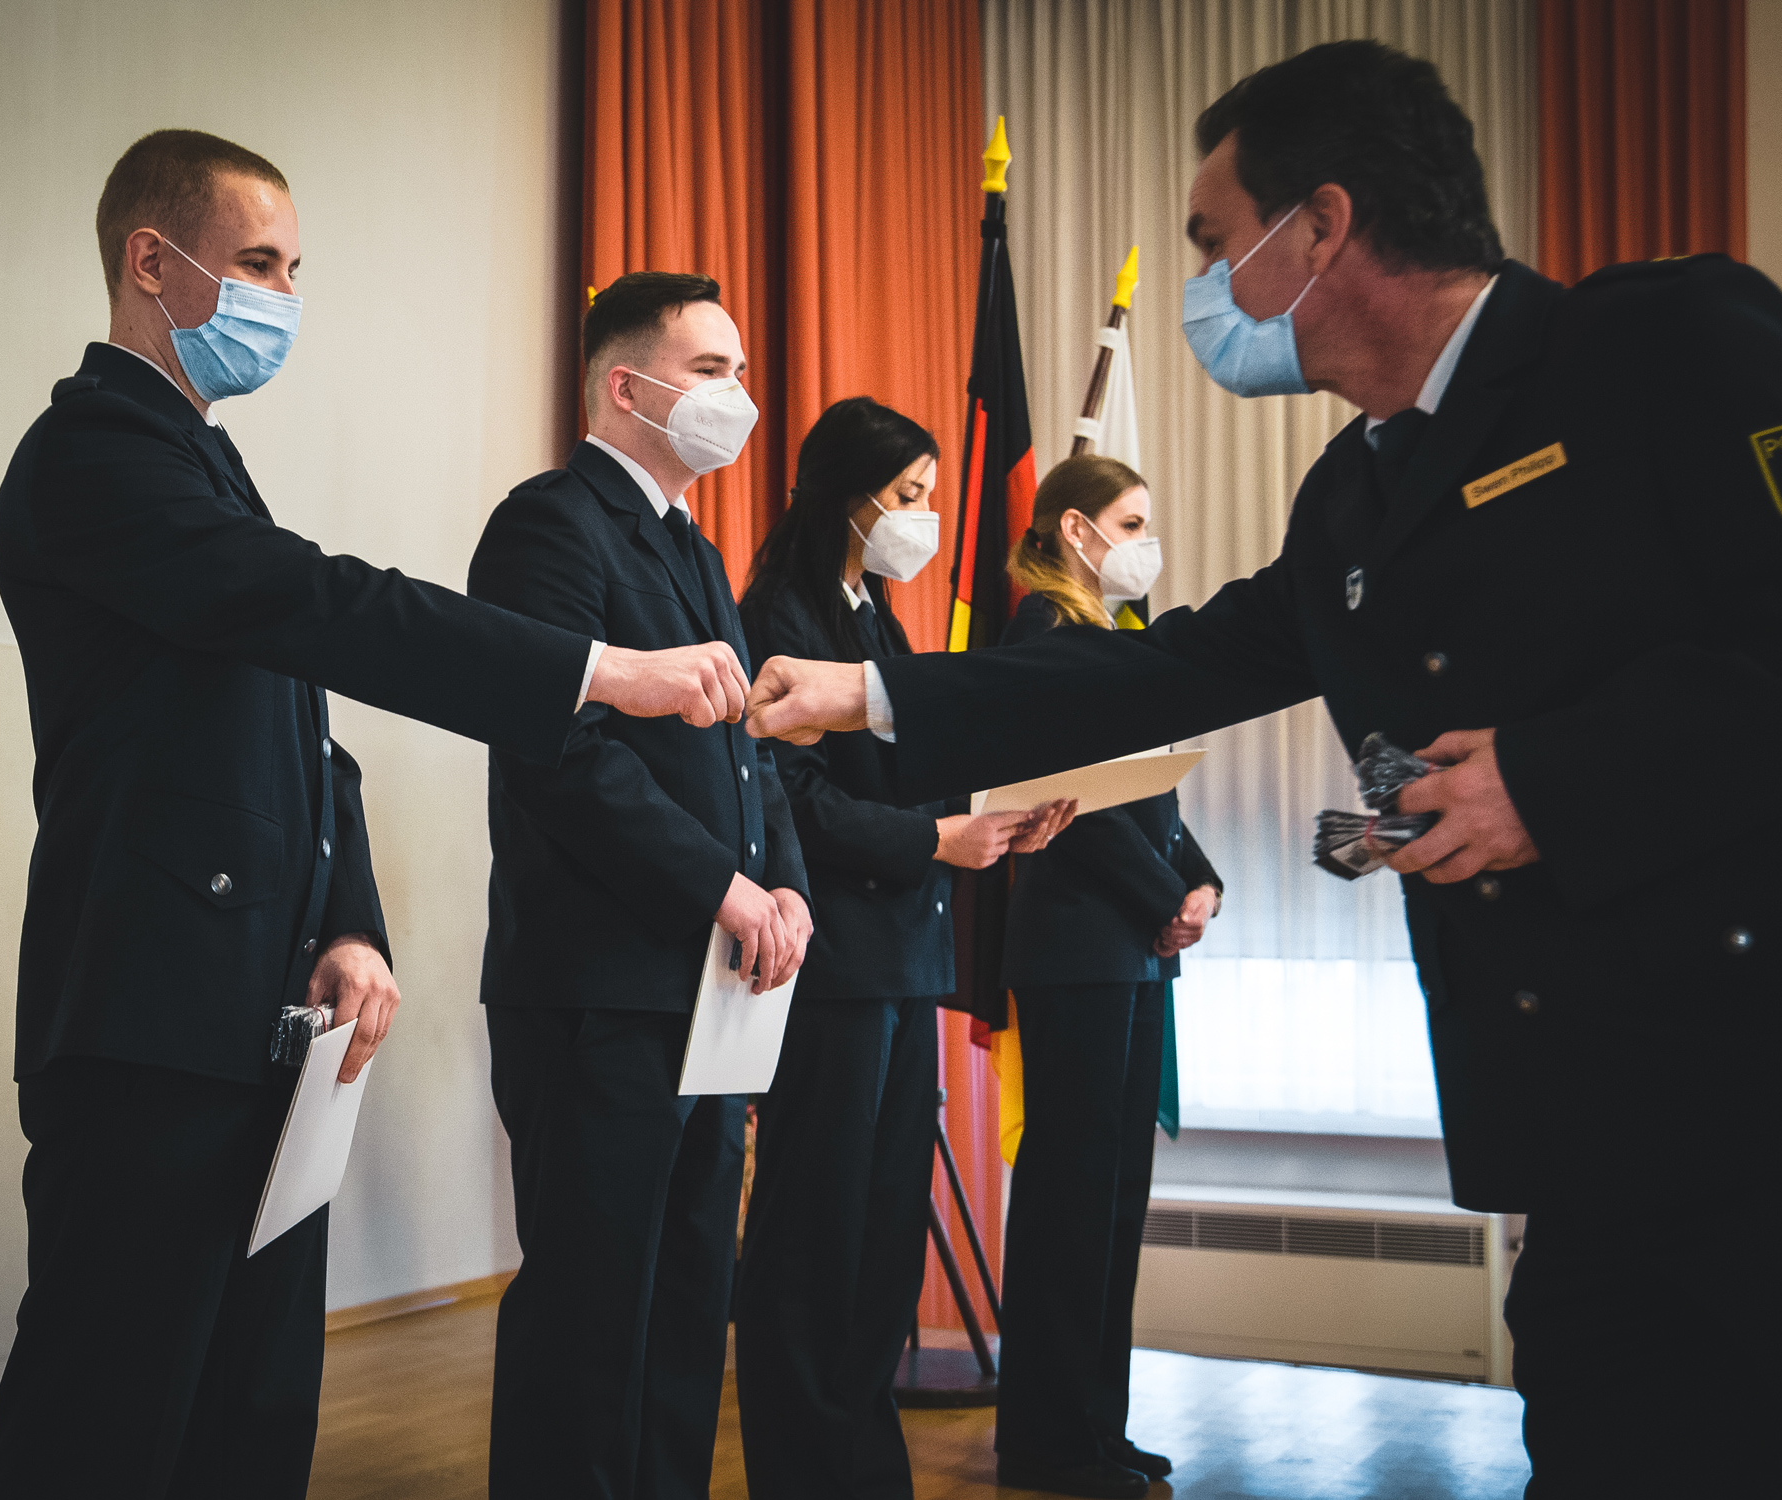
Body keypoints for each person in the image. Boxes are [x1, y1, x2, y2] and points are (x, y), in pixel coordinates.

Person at [744, 40, 1782, 1500]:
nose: (1205, 290)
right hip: (1593, 1146)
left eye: (1212, 244)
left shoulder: (1659, 341)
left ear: (1322, 228)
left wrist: (1550, 784)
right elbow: (1167, 664)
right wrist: (867, 689)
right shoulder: (1356, 488)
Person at [0, 130, 750, 1500]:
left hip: (274, 1017)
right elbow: (320, 608)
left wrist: (352, 925)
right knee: (113, 1415)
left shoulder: (205, 464)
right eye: (259, 263)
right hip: (153, 1020)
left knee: (251, 1419)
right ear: (152, 264)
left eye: (295, 267)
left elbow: (302, 736)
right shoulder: (93, 455)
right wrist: (593, 668)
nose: (285, 293)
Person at [465, 270, 813, 1500]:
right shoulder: (547, 526)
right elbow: (562, 752)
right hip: (598, 988)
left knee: (681, 1304)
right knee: (589, 1305)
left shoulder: (695, 549)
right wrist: (722, 890)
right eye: (712, 373)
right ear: (627, 386)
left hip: (708, 988)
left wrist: (786, 888)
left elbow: (740, 753)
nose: (741, 398)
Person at [733, 396, 1072, 1500]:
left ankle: (861, 1468)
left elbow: (911, 764)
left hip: (899, 961)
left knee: (880, 1240)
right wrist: (936, 837)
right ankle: (804, 1471)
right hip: (828, 966)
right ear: (851, 495)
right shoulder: (779, 612)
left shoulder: (871, 614)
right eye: (912, 498)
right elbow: (794, 805)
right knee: (811, 1241)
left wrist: (1004, 808)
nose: (923, 520)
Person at [989, 456, 1222, 1500]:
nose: (1144, 540)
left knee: (1113, 1196)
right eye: (1129, 522)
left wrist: (1198, 878)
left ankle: (1097, 1425)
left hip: (1125, 944)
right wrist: (1158, 897)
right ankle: (1046, 1442)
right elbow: (1067, 798)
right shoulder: (1043, 630)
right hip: (1078, 942)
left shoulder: (1109, 634)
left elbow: (1148, 797)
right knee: (1069, 1199)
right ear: (1076, 532)